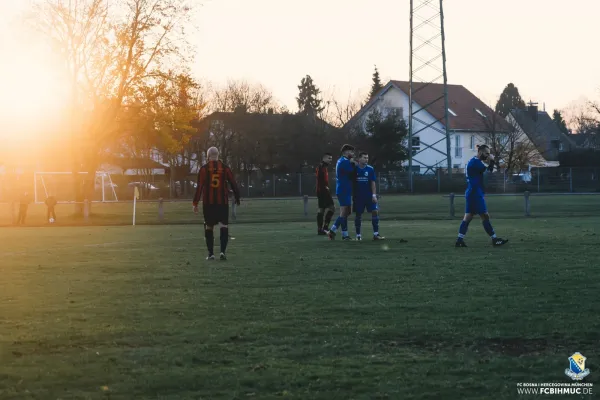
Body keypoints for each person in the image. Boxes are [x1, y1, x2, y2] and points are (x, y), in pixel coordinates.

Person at [192, 147, 241, 260]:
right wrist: (237, 197)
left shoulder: (204, 169)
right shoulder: (225, 168)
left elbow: (199, 187)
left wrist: (195, 203)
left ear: (208, 156)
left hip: (208, 203)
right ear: (218, 155)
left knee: (209, 227)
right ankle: (222, 252)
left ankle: (211, 254)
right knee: (223, 225)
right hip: (222, 203)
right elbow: (233, 183)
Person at [456, 144, 508, 247]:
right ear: (480, 153)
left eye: (489, 154)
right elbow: (489, 172)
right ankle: (495, 239)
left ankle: (459, 240)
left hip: (472, 192)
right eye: (486, 154)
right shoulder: (476, 162)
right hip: (475, 193)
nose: (488, 156)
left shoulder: (474, 161)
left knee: (468, 217)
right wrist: (492, 161)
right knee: (484, 216)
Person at [353, 152, 384, 241]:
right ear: (359, 159)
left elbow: (373, 183)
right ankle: (358, 235)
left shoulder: (370, 169)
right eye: (364, 157)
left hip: (369, 196)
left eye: (367, 158)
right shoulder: (354, 169)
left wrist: (374, 195)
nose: (366, 159)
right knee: (358, 215)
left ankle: (376, 234)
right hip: (358, 196)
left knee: (375, 211)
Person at [327, 144, 357, 240]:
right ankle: (333, 230)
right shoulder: (344, 161)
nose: (352, 153)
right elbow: (353, 172)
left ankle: (344, 234)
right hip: (343, 189)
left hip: (344, 189)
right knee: (345, 212)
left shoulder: (343, 160)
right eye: (351, 151)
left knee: (346, 212)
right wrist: (353, 163)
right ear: (346, 152)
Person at [315, 152, 335, 235]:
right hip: (323, 191)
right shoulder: (321, 167)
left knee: (321, 209)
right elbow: (320, 178)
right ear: (324, 158)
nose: (331, 160)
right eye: (329, 158)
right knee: (332, 208)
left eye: (331, 158)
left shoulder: (323, 167)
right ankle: (325, 227)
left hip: (321, 191)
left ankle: (320, 229)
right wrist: (325, 187)